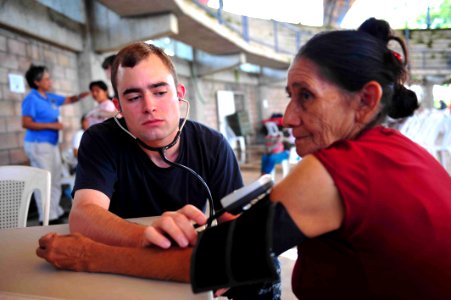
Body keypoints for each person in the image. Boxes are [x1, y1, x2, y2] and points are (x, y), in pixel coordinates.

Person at [37, 18, 451, 299]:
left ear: (365, 101)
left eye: (305, 96)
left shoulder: (336, 172)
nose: (287, 118)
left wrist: (86, 255)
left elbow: (214, 261)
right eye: (290, 96)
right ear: (119, 105)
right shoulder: (408, 156)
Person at [69, 42, 279, 298]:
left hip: (184, 264)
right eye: (134, 97)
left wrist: (233, 256)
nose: (149, 106)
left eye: (159, 92)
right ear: (118, 107)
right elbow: (83, 214)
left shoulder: (212, 145)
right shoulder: (100, 140)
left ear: (179, 93)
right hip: (120, 266)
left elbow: (231, 220)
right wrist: (148, 237)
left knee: (261, 270)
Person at [22, 64, 89, 224]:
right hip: (38, 144)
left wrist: (82, 95)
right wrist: (52, 125)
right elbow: (26, 123)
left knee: (55, 177)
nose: (50, 81)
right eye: (46, 79)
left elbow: (67, 100)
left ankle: (54, 211)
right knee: (43, 179)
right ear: (37, 82)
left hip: (52, 144)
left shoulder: (49, 97)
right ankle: (45, 217)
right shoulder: (31, 99)